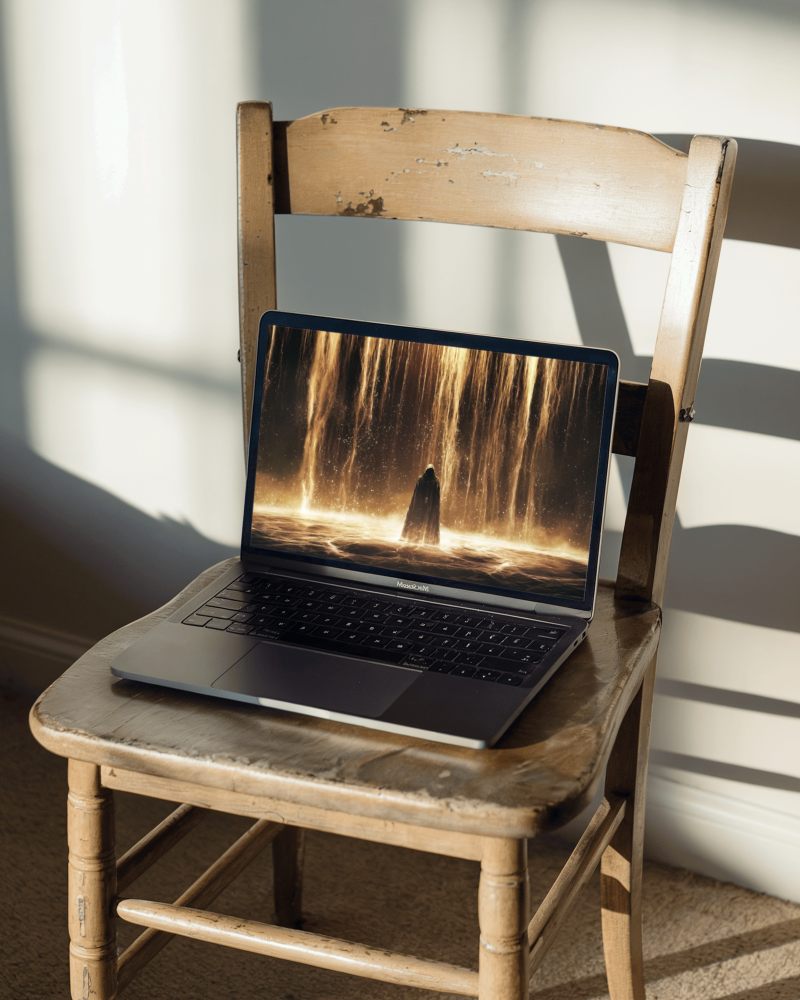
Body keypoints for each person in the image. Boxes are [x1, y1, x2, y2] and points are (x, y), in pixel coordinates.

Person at [401, 464, 441, 545]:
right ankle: (424, 538)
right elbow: (435, 496)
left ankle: (414, 537)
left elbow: (418, 494)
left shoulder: (423, 480)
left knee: (418, 519)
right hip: (425, 505)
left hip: (421, 505)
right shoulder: (433, 481)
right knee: (423, 519)